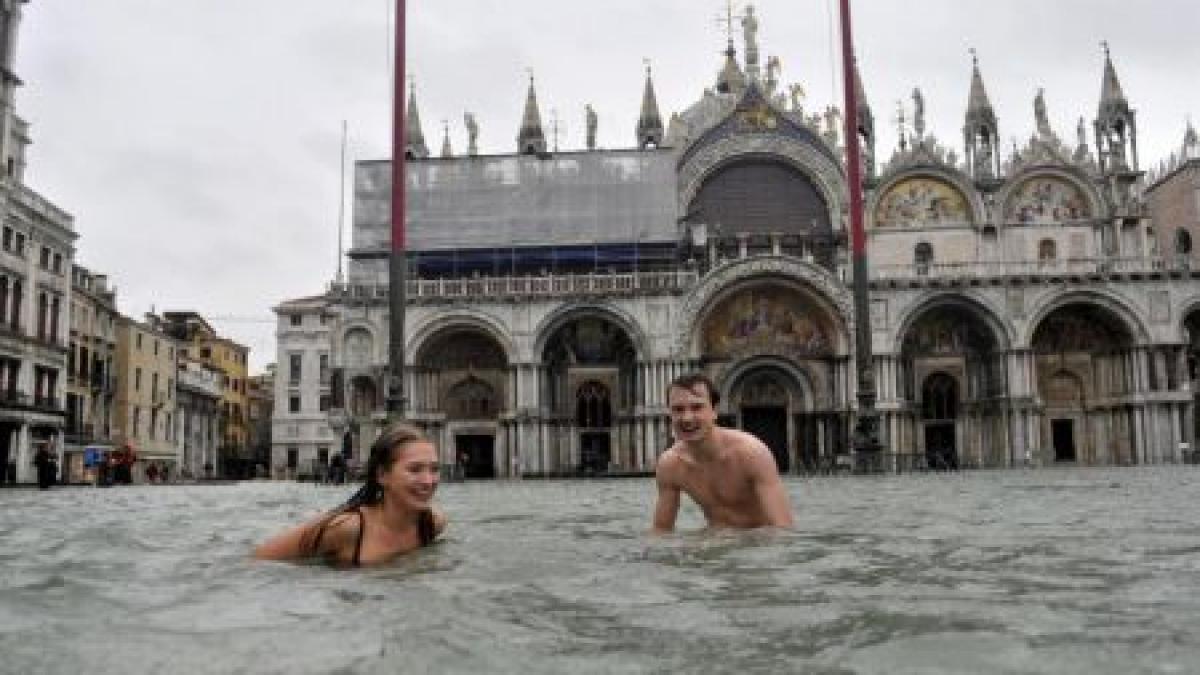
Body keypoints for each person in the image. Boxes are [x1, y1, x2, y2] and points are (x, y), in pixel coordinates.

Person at [254, 423, 447, 567]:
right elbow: (260, 559)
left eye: (434, 469)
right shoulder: (348, 528)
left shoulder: (432, 524)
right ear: (382, 475)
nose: (428, 481)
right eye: (415, 470)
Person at [652, 373, 794, 532]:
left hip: (758, 542)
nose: (687, 418)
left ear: (714, 411)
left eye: (697, 407)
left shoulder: (751, 453)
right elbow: (660, 532)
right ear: (670, 414)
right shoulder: (670, 465)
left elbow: (782, 529)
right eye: (678, 409)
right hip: (714, 540)